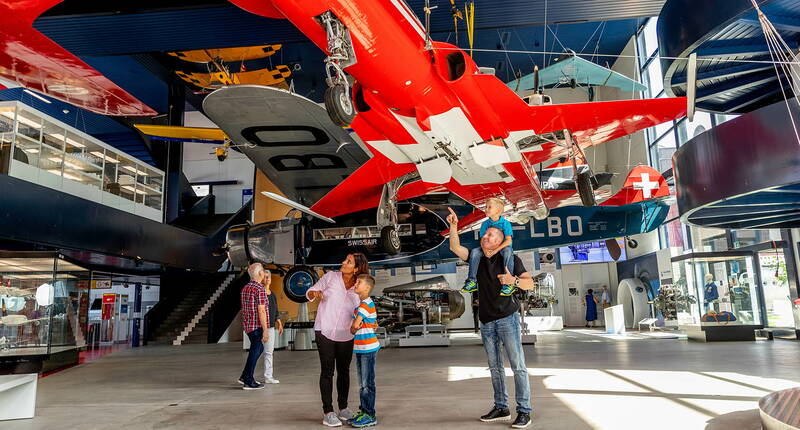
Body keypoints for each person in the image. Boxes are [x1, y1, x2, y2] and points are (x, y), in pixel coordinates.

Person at [447, 208, 534, 429]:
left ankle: (524, 411)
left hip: (507, 319)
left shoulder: (510, 258)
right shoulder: (477, 259)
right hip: (486, 321)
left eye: (491, 236)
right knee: (495, 367)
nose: (485, 237)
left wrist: (513, 281)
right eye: (485, 235)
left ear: (500, 241)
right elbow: (455, 247)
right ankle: (501, 407)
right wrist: (454, 226)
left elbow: (529, 283)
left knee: (518, 366)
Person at [306, 253, 369, 427]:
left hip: (346, 334)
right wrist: (315, 293)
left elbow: (364, 307)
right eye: (345, 259)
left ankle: (343, 408)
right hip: (324, 330)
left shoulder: (359, 286)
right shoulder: (330, 277)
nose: (343, 262)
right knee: (327, 371)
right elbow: (309, 292)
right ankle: (328, 412)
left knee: (344, 371)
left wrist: (371, 320)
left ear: (356, 268)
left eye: (348, 262)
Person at [461, 197, 516, 297]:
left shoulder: (505, 224)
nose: (486, 209)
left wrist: (495, 251)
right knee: (475, 252)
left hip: (501, 248)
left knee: (508, 251)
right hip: (488, 248)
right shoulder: (485, 224)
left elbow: (508, 241)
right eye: (486, 207)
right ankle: (472, 281)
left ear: (498, 210)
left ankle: (509, 283)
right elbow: (483, 240)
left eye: (489, 207)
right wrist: (486, 251)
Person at [347, 274, 380, 428]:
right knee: (362, 383)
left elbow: (354, 327)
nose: (355, 284)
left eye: (359, 282)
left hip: (368, 348)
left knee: (367, 383)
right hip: (361, 348)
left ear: (367, 287)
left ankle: (370, 414)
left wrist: (354, 326)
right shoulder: (362, 304)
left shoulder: (365, 304)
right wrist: (355, 326)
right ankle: (364, 411)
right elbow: (355, 327)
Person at [238, 262, 269, 390]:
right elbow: (261, 310)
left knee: (258, 349)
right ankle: (248, 380)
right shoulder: (259, 289)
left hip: (248, 326)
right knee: (256, 350)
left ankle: (245, 376)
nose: (264, 272)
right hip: (257, 326)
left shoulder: (246, 288)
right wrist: (265, 330)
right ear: (260, 273)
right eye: (263, 270)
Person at [262, 270, 284, 384]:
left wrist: (279, 323)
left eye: (268, 277)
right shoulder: (260, 294)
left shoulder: (273, 295)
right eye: (265, 277)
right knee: (255, 353)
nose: (267, 279)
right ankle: (248, 375)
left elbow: (275, 310)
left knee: (269, 352)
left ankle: (268, 376)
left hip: (270, 328)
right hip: (260, 327)